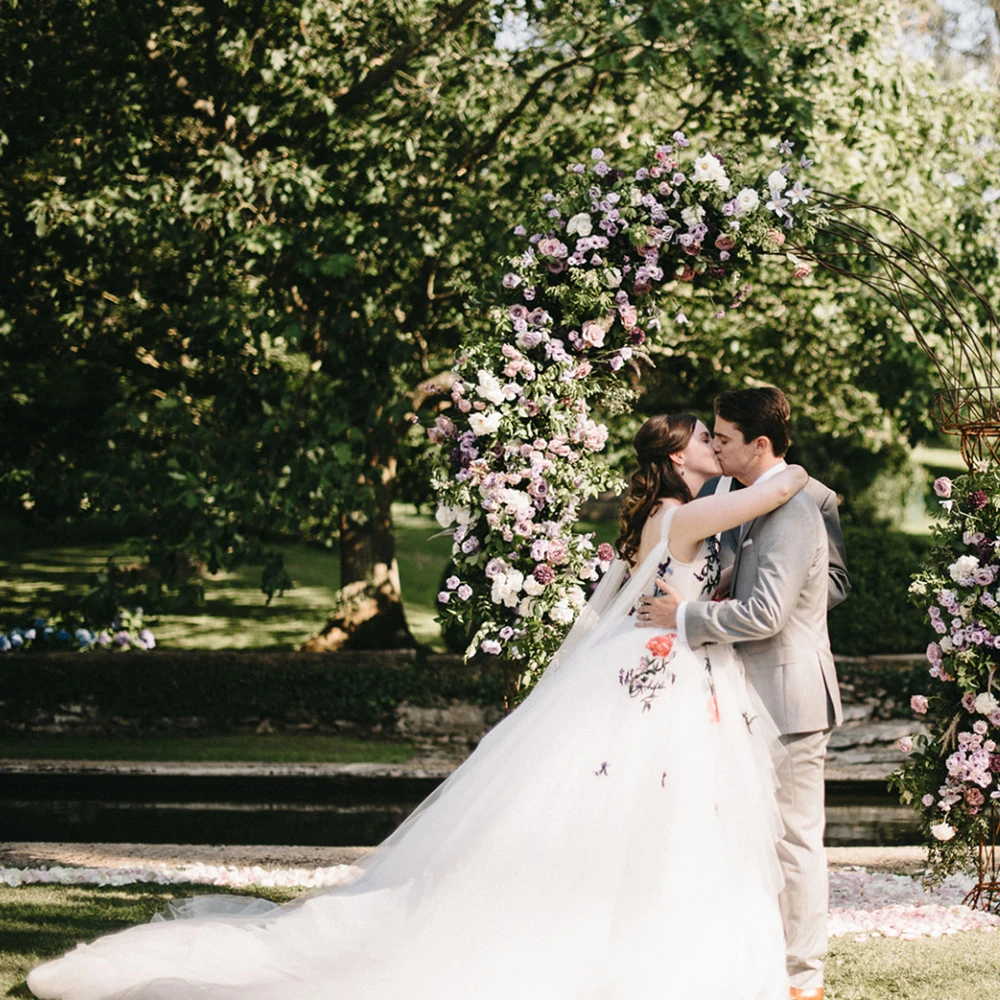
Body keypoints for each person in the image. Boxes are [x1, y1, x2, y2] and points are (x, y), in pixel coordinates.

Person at [28, 413, 808, 1000]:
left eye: (722, 435)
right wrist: (793, 466)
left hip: (668, 666)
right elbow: (778, 489)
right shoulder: (683, 516)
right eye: (707, 438)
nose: (717, 445)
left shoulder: (665, 515)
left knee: (651, 812)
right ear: (678, 458)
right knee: (648, 810)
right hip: (658, 675)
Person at [637, 387, 848, 1000]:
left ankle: (803, 983)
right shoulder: (727, 499)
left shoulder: (798, 507)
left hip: (788, 697)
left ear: (759, 444)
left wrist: (688, 615)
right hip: (729, 697)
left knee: (794, 844)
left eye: (723, 438)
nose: (716, 447)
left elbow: (767, 613)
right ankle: (749, 965)